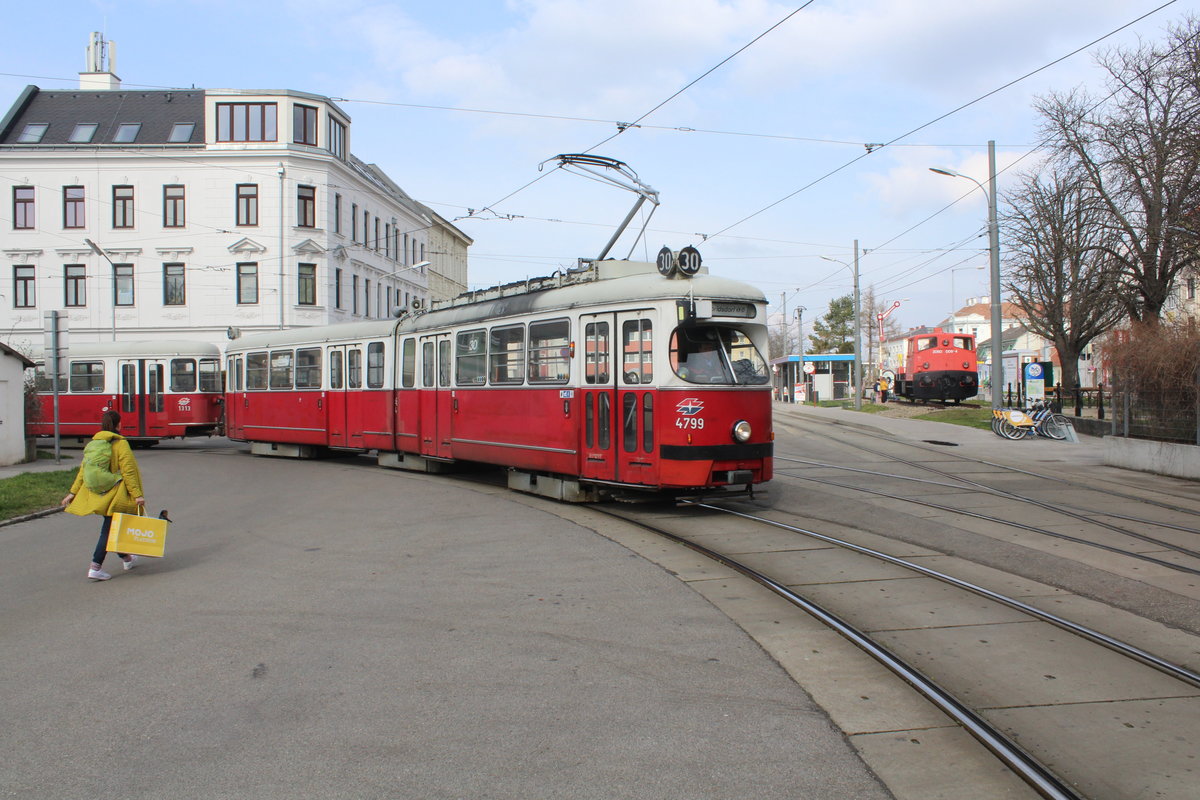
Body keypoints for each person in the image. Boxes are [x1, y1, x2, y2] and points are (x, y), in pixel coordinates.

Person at [61, 410, 146, 581]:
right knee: (108, 530)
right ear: (118, 425)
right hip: (117, 493)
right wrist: (137, 495)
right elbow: (128, 471)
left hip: (102, 493)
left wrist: (72, 492)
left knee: (114, 526)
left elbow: (83, 470)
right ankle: (95, 567)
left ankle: (127, 558)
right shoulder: (120, 444)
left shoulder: (95, 443)